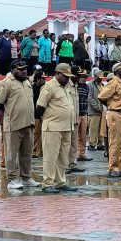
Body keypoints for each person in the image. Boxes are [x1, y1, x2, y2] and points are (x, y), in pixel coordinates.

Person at [0, 60, 40, 190]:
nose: (24, 71)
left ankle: (26, 177)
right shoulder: (6, 83)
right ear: (13, 69)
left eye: (25, 69)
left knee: (27, 153)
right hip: (13, 124)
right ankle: (12, 179)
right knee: (11, 154)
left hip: (28, 123)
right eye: (20, 69)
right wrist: (5, 121)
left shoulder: (27, 82)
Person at [36, 63, 79, 193]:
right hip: (53, 127)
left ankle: (60, 182)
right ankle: (47, 183)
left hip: (66, 127)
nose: (67, 79)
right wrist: (50, 118)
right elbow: (39, 107)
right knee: (50, 157)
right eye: (65, 76)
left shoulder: (66, 87)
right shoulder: (49, 86)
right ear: (57, 74)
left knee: (62, 157)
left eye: (68, 77)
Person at [98, 62, 121, 178]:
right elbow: (101, 97)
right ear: (117, 71)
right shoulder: (113, 82)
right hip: (115, 114)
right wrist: (111, 106)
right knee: (115, 142)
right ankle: (113, 168)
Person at [74, 69, 92, 163]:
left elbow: (86, 100)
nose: (84, 79)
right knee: (76, 135)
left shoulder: (86, 87)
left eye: (85, 77)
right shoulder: (75, 87)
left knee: (84, 136)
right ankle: (76, 153)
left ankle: (82, 153)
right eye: (82, 77)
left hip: (84, 113)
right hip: (76, 114)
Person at [86, 70, 104, 154]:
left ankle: (100, 144)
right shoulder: (90, 85)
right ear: (95, 77)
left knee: (101, 128)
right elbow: (89, 98)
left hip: (102, 111)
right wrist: (97, 107)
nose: (101, 79)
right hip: (93, 111)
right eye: (99, 77)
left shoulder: (102, 85)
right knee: (93, 128)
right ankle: (92, 144)